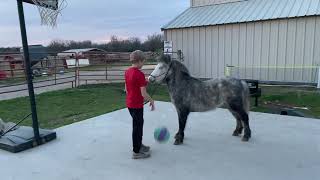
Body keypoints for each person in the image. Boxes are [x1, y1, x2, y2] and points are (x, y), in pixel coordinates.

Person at [125, 50, 155, 159]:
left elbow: (127, 88)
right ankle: (136, 152)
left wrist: (145, 81)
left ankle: (139, 145)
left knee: (137, 126)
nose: (143, 64)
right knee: (137, 128)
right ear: (139, 61)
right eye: (143, 62)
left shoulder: (127, 71)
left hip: (129, 104)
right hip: (137, 106)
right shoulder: (139, 74)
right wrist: (151, 100)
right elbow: (143, 93)